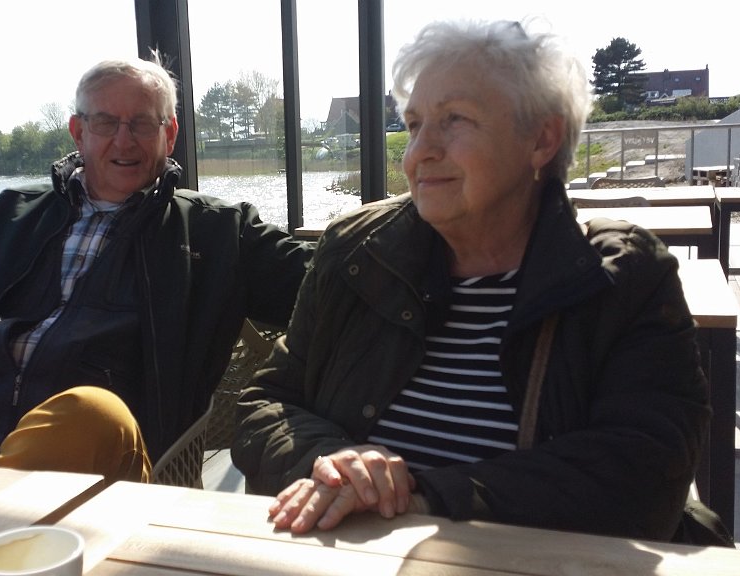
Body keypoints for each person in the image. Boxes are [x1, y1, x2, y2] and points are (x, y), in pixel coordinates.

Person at [231, 19, 712, 542]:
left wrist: (427, 498)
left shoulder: (623, 279)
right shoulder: (355, 252)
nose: (419, 153)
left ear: (541, 139)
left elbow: (641, 477)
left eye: (454, 119)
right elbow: (265, 406)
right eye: (414, 125)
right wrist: (328, 460)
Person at [0, 55, 313, 484]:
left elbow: (328, 282)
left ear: (169, 135)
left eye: (142, 124)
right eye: (106, 122)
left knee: (90, 413)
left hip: (107, 466)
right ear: (78, 131)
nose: (124, 140)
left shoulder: (216, 233)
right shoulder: (14, 215)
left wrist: (381, 226)